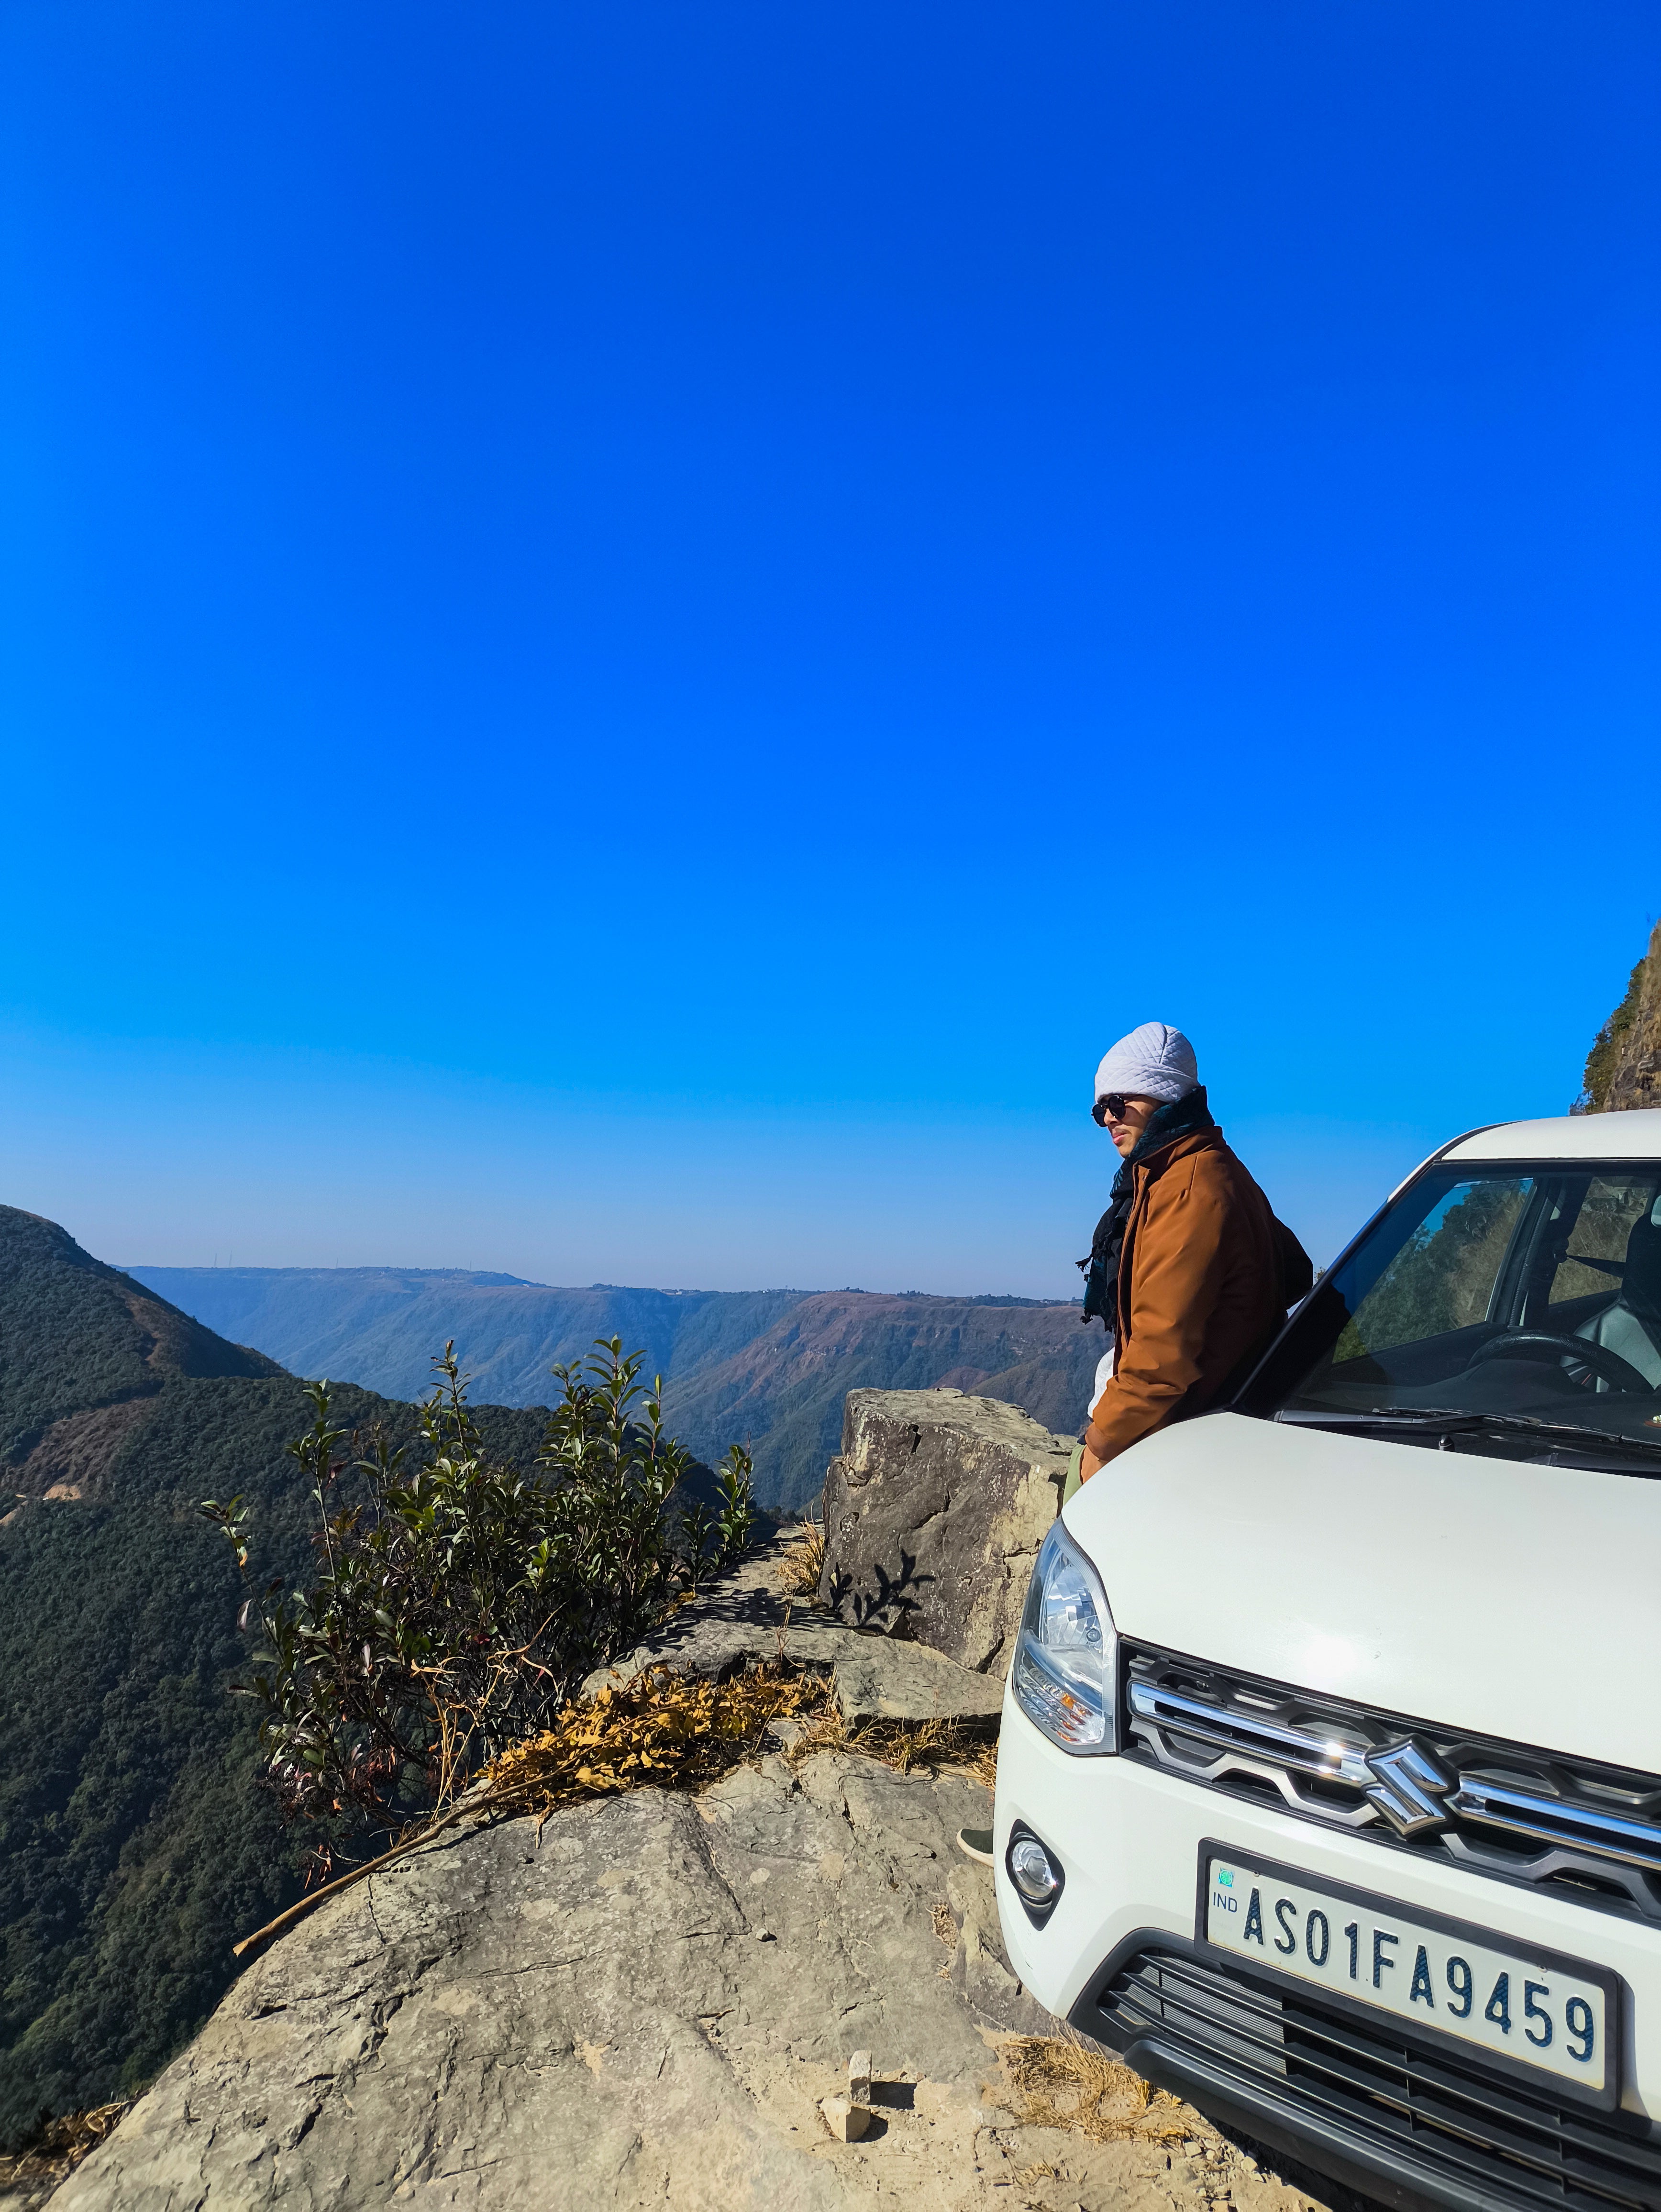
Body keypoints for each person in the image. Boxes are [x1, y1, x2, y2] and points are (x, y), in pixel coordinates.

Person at [1068, 1021, 1312, 1499]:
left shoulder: (1188, 1187)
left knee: (1071, 1522)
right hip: (1216, 1409)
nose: (1108, 1120)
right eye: (1100, 1110)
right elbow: (1294, 1271)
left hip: (1194, 1422)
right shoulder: (1201, 1168)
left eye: (1118, 1103)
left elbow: (1160, 1361)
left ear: (1163, 1094)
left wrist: (1097, 1447)